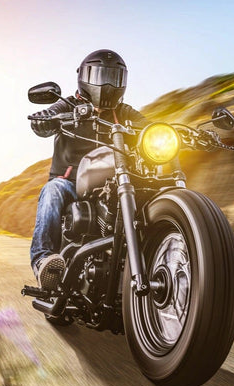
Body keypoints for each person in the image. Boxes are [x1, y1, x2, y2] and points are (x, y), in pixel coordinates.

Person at [28, 49, 149, 290]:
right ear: (84, 77)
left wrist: (172, 132)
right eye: (100, 76)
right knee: (52, 191)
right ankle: (43, 262)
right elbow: (43, 121)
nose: (107, 84)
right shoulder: (67, 105)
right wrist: (46, 118)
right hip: (71, 183)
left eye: (113, 78)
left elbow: (149, 126)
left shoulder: (124, 113)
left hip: (113, 185)